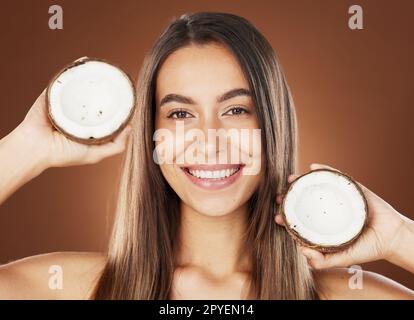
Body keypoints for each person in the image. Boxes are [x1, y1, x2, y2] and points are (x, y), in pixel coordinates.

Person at [0, 12, 413, 300]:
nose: (210, 139)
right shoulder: (71, 289)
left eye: (236, 110)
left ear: (272, 126)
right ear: (152, 136)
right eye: (180, 113)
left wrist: (398, 238)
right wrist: (29, 147)